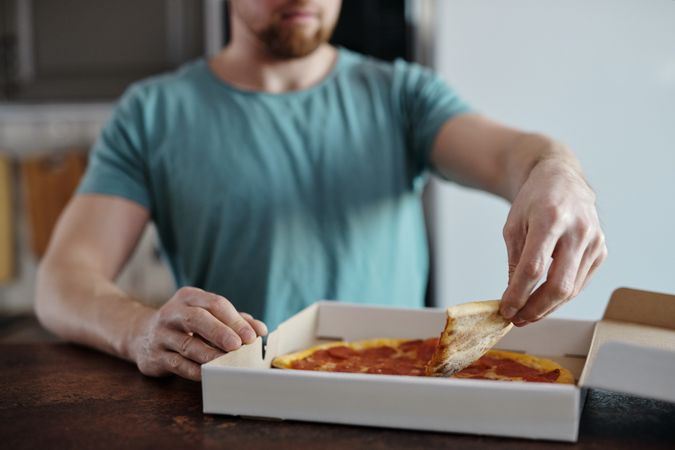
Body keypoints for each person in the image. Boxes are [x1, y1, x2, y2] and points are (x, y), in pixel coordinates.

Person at [35, 0, 606, 382]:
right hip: (235, 408)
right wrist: (138, 330)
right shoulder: (152, 113)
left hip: (397, 401)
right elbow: (63, 281)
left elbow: (517, 155)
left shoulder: (402, 95)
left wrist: (557, 172)